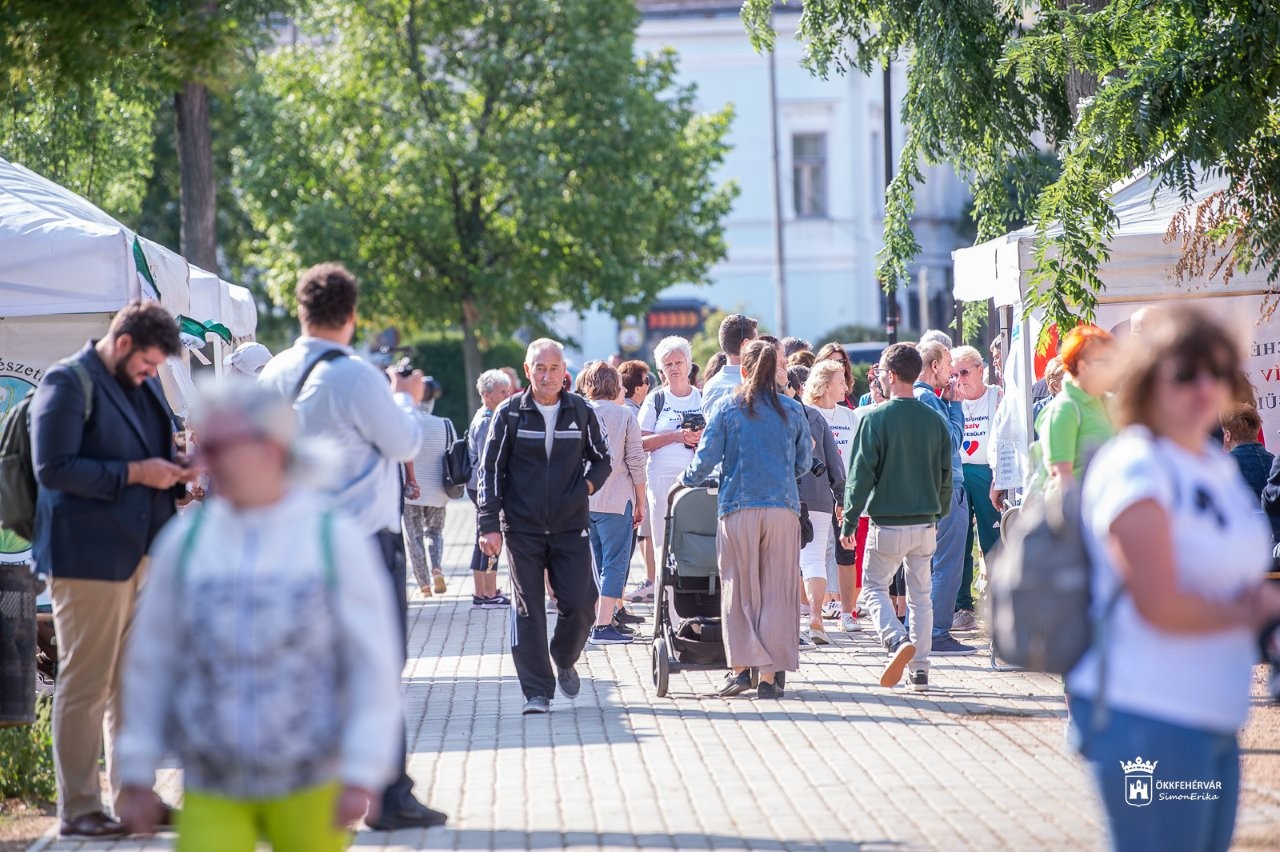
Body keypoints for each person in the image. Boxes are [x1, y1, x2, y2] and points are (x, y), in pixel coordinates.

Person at [115, 385, 403, 849]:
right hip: (212, 790)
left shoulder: (333, 539)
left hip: (312, 788)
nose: (202, 461)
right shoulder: (184, 544)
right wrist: (135, 770)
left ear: (271, 447)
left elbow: (373, 664)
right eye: (200, 445)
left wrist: (362, 769)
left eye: (217, 447)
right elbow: (151, 664)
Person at [1066, 306, 1280, 852]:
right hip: (1149, 715)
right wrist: (1254, 615)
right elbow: (1156, 600)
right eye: (1185, 372)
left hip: (1213, 714)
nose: (1205, 386)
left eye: (1218, 370)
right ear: (1146, 380)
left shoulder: (1211, 465)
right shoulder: (1136, 463)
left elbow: (1234, 577)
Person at [257, 262, 446, 831]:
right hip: (360, 544)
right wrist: (407, 398)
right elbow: (404, 440)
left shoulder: (272, 374)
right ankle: (388, 796)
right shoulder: (356, 375)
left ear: (301, 310)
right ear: (353, 314)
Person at [30, 302, 194, 839]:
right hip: (87, 559)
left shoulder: (142, 384)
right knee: (86, 682)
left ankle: (134, 800)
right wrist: (137, 472)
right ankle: (78, 809)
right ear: (122, 344)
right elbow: (52, 468)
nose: (152, 374)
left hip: (141, 552)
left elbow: (151, 454)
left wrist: (178, 474)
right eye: (148, 364)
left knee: (131, 685)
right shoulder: (67, 381)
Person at [477, 339, 612, 715]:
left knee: (583, 605)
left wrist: (584, 487)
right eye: (540, 368)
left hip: (571, 526)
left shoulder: (581, 411)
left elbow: (603, 460)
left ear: (564, 371)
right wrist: (489, 525)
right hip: (523, 528)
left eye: (554, 368)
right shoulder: (509, 414)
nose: (547, 375)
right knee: (528, 610)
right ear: (527, 370)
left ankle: (563, 655)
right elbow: (489, 471)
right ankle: (537, 691)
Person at [681, 340, 811, 699]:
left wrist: (686, 480)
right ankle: (769, 677)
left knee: (739, 590)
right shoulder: (792, 409)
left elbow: (705, 458)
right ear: (776, 372)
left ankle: (741, 669)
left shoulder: (726, 408)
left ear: (743, 370)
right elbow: (803, 463)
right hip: (783, 508)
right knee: (777, 592)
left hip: (738, 506)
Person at [840, 343, 953, 691]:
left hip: (887, 521)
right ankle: (920, 669)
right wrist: (939, 511)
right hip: (926, 521)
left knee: (872, 588)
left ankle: (894, 638)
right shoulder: (935, 419)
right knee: (921, 596)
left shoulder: (874, 418)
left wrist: (848, 521)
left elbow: (860, 476)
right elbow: (946, 473)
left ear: (890, 376)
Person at [914, 340, 975, 657]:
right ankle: (937, 632)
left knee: (932, 564)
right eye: (949, 362)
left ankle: (928, 630)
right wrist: (955, 405)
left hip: (932, 489)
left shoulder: (918, 396)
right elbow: (951, 441)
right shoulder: (929, 398)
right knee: (947, 565)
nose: (953, 370)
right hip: (948, 487)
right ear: (934, 365)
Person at [579, 362, 647, 646]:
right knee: (615, 563)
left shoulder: (577, 412)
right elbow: (636, 461)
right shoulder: (624, 416)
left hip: (584, 499)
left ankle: (599, 617)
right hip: (617, 498)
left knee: (595, 563)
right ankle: (604, 625)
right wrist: (641, 502)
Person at [636, 336, 704, 601]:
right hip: (662, 478)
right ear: (660, 370)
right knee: (663, 541)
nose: (674, 367)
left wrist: (700, 439)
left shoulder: (702, 396)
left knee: (693, 538)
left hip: (697, 480)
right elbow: (640, 442)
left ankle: (692, 598)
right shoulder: (656, 400)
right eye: (668, 363)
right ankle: (665, 602)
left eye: (679, 361)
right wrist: (676, 436)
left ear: (688, 364)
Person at [804, 360, 863, 633]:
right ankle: (815, 608)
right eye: (841, 381)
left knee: (845, 552)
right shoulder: (808, 414)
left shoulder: (849, 416)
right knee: (816, 553)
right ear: (826, 385)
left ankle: (848, 613)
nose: (846, 386)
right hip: (816, 496)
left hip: (844, 494)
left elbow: (857, 456)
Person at [950, 345, 1003, 633]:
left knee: (992, 537)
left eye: (965, 372)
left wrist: (1000, 477)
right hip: (958, 473)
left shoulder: (996, 395)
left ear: (981, 370)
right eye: (954, 373)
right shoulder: (950, 400)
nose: (960, 378)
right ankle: (962, 605)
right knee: (959, 540)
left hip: (986, 473)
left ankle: (997, 601)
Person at [796, 366, 847, 644]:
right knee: (815, 558)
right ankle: (816, 618)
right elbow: (834, 462)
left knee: (787, 562)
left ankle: (789, 624)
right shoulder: (814, 417)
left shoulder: (775, 415)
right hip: (818, 496)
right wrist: (841, 498)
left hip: (785, 496)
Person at [1036, 324, 1117, 489]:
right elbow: (1061, 478)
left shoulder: (1109, 401)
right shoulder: (1064, 409)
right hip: (1081, 511)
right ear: (1082, 366)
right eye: (1106, 361)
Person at [466, 370, 514, 608]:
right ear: (486, 394)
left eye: (508, 390)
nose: (507, 395)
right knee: (489, 537)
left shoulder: (487, 415)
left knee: (484, 537)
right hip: (484, 487)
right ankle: (486, 592)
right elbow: (491, 461)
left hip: (479, 486)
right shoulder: (487, 421)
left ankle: (485, 591)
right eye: (502, 391)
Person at [401, 390, 454, 598]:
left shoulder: (406, 424)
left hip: (411, 490)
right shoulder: (446, 423)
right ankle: (437, 567)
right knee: (434, 532)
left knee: (414, 537)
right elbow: (454, 451)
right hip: (439, 490)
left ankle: (423, 585)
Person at [700, 313, 758, 412]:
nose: (760, 347)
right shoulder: (758, 383)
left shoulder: (710, 386)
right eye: (756, 342)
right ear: (746, 344)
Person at [814, 342, 857, 408]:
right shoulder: (814, 401)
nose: (837, 365)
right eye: (831, 362)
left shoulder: (850, 398)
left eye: (840, 361)